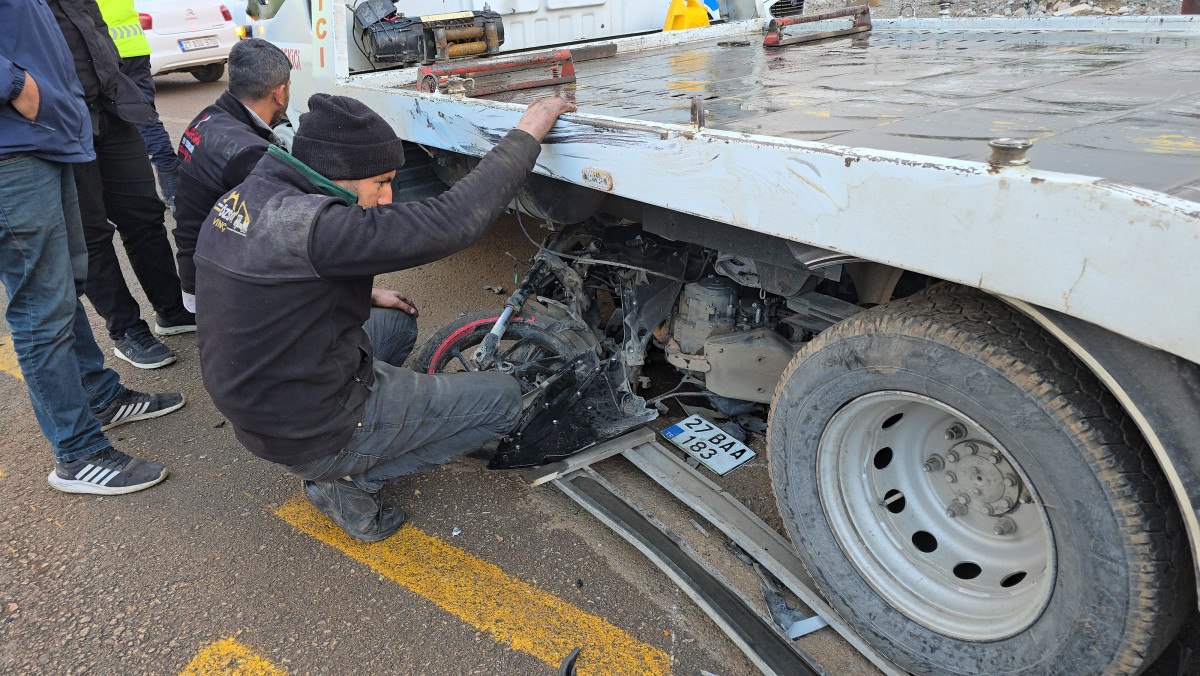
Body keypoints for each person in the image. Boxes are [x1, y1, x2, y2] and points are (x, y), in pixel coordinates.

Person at [195, 93, 575, 541]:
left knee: (396, 323)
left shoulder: (257, 195)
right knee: (504, 399)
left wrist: (366, 293)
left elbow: (269, 281)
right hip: (308, 427)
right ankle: (349, 479)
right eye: (381, 182)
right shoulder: (326, 230)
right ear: (343, 175)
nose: (388, 197)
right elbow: (454, 220)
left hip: (262, 404)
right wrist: (529, 130)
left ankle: (356, 444)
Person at [2, 0, 184, 495]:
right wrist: (16, 86)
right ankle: (77, 454)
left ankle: (100, 396)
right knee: (43, 309)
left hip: (50, 135)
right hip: (12, 149)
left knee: (62, 287)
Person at [48, 0, 195, 370]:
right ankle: (127, 330)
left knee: (144, 214)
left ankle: (172, 310)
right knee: (91, 233)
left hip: (112, 103)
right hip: (60, 118)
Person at [174, 38, 290, 314]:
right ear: (280, 93)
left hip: (195, 265)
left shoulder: (208, 118)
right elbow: (289, 226)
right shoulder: (248, 153)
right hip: (217, 284)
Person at [97, 0, 180, 211]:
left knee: (131, 123)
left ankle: (169, 192)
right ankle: (174, 190)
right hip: (134, 45)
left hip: (107, 50)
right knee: (146, 118)